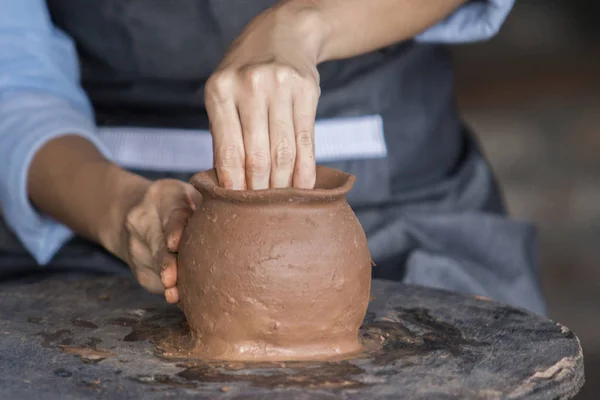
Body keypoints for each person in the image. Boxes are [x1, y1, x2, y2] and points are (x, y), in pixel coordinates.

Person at [0, 0, 547, 315]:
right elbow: (15, 86)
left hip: (396, 181)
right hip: (100, 195)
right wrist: (120, 212)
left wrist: (305, 23)